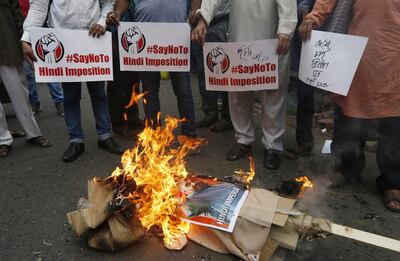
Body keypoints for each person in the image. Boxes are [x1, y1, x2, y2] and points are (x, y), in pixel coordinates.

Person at [301, 0, 400, 212]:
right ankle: (347, 168)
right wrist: (314, 16)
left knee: (393, 124)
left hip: (393, 60)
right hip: (356, 58)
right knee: (349, 115)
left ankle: (393, 181)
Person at [192, 0, 297, 170]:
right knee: (238, 95)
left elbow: (288, 4)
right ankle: (243, 139)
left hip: (273, 41)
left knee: (273, 97)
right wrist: (203, 20)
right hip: (239, 39)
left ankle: (273, 146)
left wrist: (286, 30)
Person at [21, 0, 124, 162]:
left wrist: (101, 22)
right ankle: (76, 140)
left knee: (99, 94)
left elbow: (108, 3)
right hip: (63, 42)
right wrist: (26, 38)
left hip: (94, 38)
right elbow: (39, 7)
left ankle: (105, 136)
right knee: (70, 96)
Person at [107, 0, 197, 139]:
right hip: (146, 38)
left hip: (177, 35)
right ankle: (154, 135)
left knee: (183, 90)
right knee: (150, 91)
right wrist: (118, 13)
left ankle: (189, 135)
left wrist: (194, 10)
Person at [0, 0, 51, 158]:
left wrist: (24, 40)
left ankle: (33, 133)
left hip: (6, 42)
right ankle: (3, 139)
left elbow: (16, 13)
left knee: (19, 92)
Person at [189, 0, 233, 132]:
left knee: (222, 72)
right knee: (203, 71)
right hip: (199, 23)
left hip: (220, 20)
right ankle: (210, 113)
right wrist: (194, 13)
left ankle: (227, 117)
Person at [18, 0, 64, 116]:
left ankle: (60, 101)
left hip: (41, 27)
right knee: (28, 72)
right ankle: (34, 103)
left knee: (48, 68)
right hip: (21, 29)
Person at [106, 0, 143, 140]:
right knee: (116, 86)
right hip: (113, 38)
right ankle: (119, 124)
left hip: (132, 42)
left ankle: (133, 118)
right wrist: (109, 41)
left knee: (133, 84)